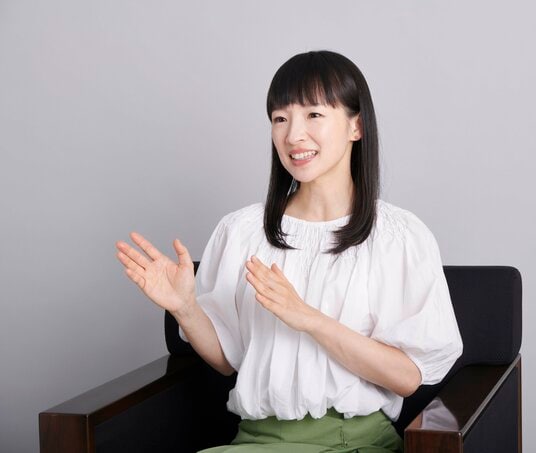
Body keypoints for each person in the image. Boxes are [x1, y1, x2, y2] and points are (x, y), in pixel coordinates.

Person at [115, 50, 463, 453]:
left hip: (352, 443)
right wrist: (185, 308)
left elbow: (407, 377)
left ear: (356, 126)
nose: (294, 135)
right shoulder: (241, 231)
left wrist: (308, 318)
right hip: (251, 442)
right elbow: (227, 360)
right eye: (280, 118)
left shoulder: (398, 237)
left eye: (314, 115)